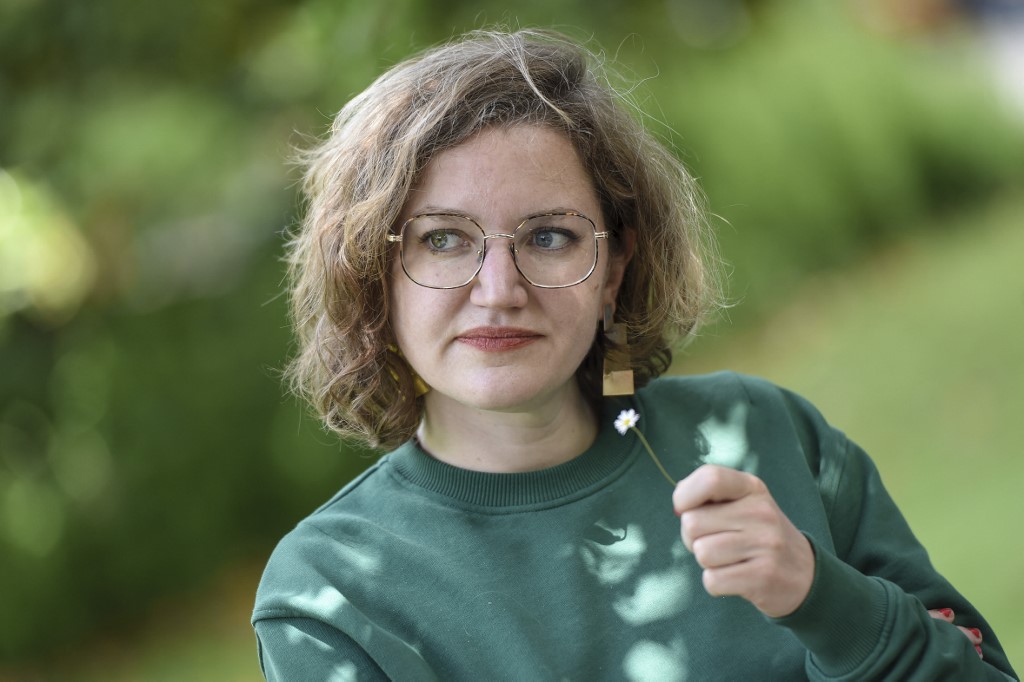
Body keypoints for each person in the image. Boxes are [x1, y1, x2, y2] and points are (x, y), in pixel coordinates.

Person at [251, 29, 1018, 680]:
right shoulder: (333, 592)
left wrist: (823, 598)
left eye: (548, 237)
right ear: (373, 277)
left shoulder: (766, 436)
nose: (499, 290)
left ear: (614, 269)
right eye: (442, 239)